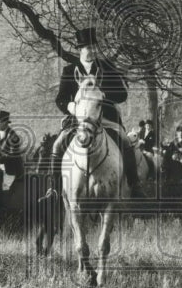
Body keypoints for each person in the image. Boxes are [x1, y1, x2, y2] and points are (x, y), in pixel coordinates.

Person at [52, 27, 144, 197]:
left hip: (106, 118)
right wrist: (71, 106)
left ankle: (134, 184)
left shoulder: (107, 67)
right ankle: (55, 188)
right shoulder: (69, 70)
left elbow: (122, 94)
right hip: (77, 121)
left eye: (95, 47)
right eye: (89, 47)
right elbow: (60, 99)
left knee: (125, 141)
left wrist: (102, 95)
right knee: (57, 144)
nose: (93, 50)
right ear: (80, 49)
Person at [0, 110, 24, 180]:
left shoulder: (13, 136)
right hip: (1, 168)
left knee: (6, 189)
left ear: (5, 123)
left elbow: (13, 155)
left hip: (12, 170)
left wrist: (0, 158)